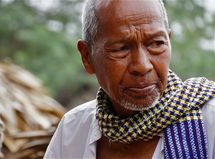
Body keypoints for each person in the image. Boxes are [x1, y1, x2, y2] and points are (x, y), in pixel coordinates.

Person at [44, 0, 215, 158]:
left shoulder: (210, 122)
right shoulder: (72, 132)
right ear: (87, 57)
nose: (142, 66)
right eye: (121, 49)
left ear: (168, 41)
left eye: (156, 43)